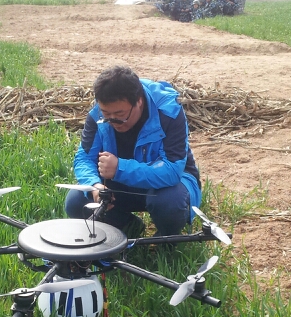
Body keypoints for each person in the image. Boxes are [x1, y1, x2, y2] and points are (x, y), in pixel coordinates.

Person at [65, 66, 202, 238]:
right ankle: (128, 227)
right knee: (76, 202)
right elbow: (85, 159)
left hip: (168, 186)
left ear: (139, 101)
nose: (113, 120)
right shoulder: (97, 113)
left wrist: (119, 168)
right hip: (117, 187)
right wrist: (95, 186)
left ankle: (166, 239)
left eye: (120, 114)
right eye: (106, 114)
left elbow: (172, 170)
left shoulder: (168, 111)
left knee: (168, 203)